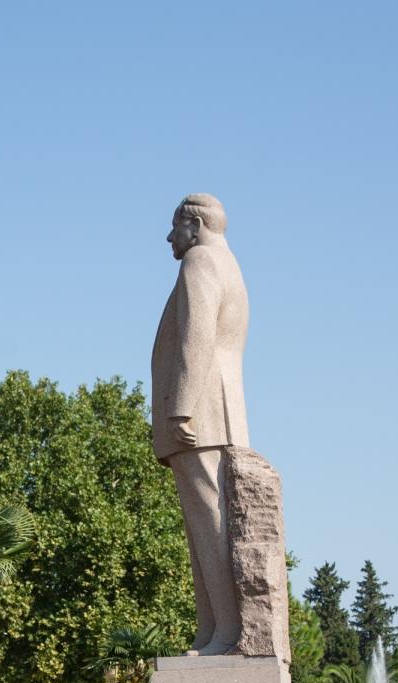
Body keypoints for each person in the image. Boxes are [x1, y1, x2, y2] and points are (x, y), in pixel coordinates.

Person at [150, 192, 250, 655]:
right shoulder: (228, 265)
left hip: (202, 414)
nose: (170, 237)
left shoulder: (201, 264)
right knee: (205, 527)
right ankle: (213, 631)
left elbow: (197, 339)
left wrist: (181, 407)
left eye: (176, 227)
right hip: (215, 412)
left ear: (195, 225)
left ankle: (229, 633)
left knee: (212, 525)